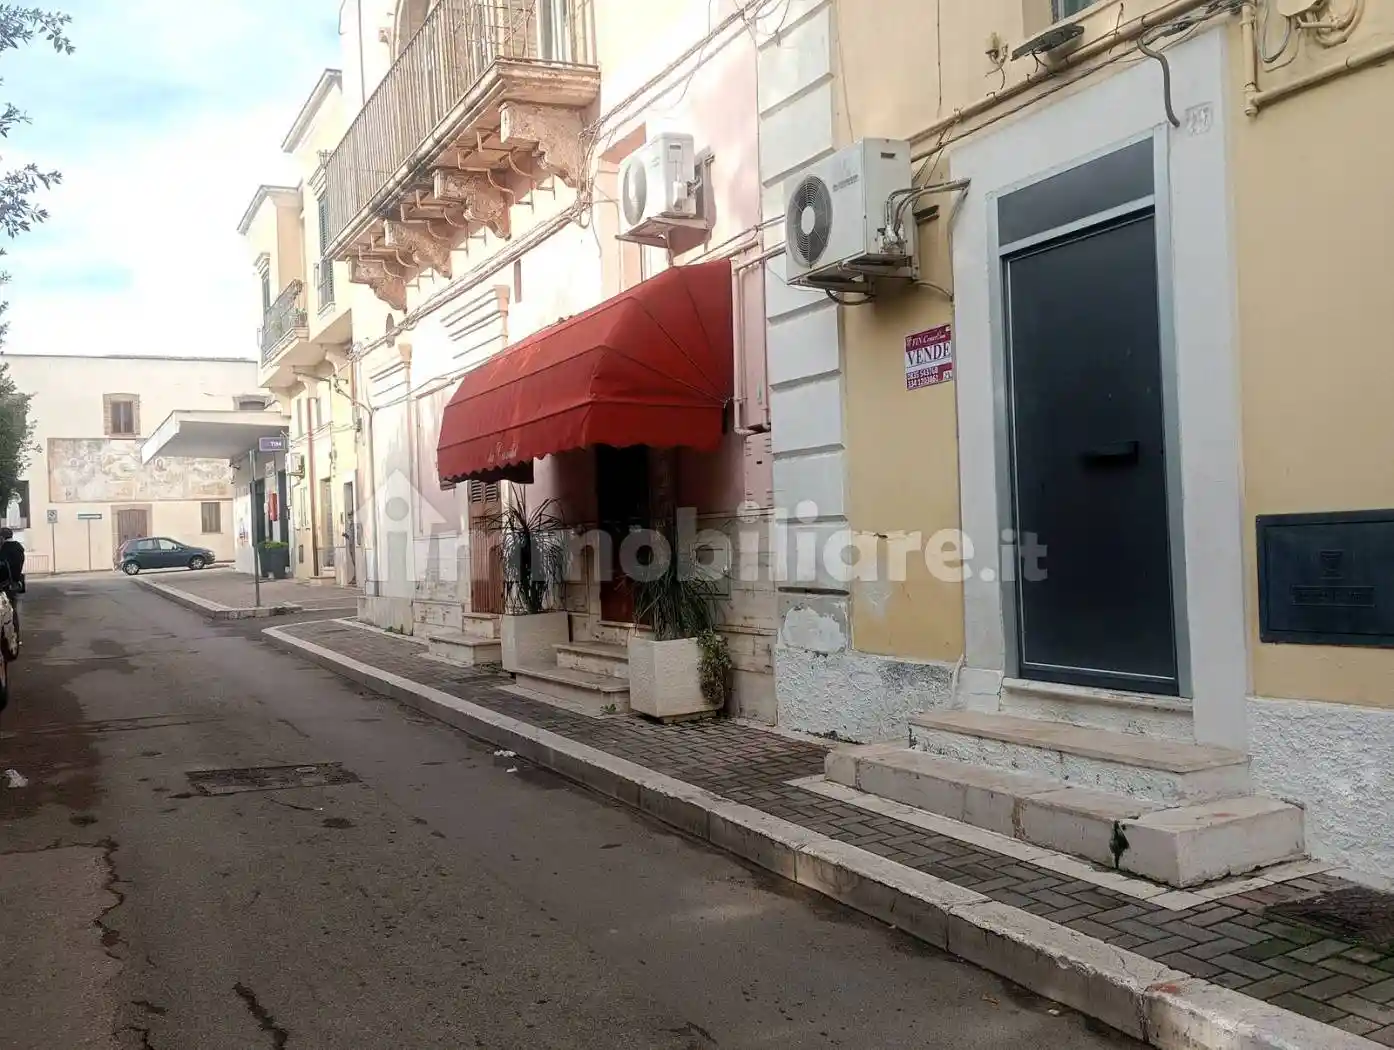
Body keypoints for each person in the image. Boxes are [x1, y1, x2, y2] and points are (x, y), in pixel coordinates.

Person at [0, 527, 24, 634]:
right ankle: (15, 634)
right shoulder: (19, 548)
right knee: (13, 609)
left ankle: (8, 636)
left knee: (6, 611)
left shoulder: (4, 549)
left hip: (5, 584)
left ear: (2, 537)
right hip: (16, 582)